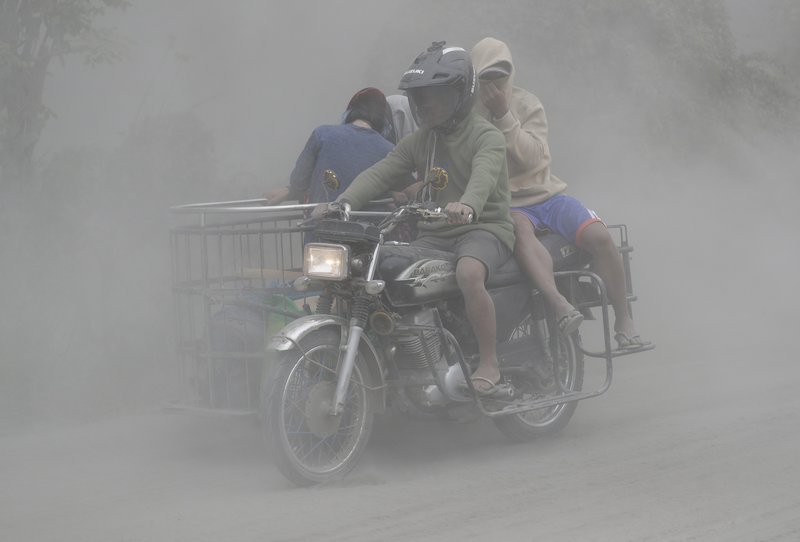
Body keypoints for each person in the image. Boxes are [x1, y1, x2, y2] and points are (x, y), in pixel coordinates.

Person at [315, 41, 515, 394]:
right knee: (386, 269)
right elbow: (382, 172)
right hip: (435, 233)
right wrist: (342, 203)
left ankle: (489, 362)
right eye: (419, 95)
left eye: (433, 94)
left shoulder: (487, 136)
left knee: (469, 273)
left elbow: (483, 179)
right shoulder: (422, 140)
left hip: (483, 229)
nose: (423, 103)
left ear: (458, 93)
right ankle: (412, 360)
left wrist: (467, 205)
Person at [471, 37, 649, 349]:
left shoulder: (527, 104)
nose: (494, 85)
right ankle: (560, 305)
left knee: (601, 237)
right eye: (486, 77)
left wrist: (503, 115)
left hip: (549, 195)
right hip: (509, 205)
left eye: (500, 75)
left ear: (510, 73)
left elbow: (534, 157)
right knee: (522, 235)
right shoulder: (470, 118)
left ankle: (623, 317)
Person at [263, 87, 404, 206]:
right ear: (383, 121)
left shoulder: (322, 134)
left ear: (350, 111)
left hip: (321, 230)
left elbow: (298, 182)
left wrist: (291, 190)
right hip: (368, 232)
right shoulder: (389, 150)